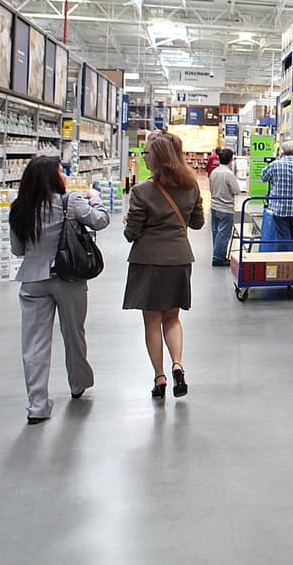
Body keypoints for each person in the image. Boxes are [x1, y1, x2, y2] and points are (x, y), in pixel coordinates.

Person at [9, 155, 111, 425]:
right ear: (53, 177)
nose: (64, 175)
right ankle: (77, 383)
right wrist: (95, 196)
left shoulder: (19, 208)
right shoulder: (71, 201)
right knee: (74, 333)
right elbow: (101, 220)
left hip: (32, 280)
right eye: (60, 171)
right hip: (68, 279)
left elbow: (17, 250)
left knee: (34, 344)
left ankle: (37, 406)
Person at [123, 132, 205, 399]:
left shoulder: (141, 191)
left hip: (148, 261)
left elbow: (131, 233)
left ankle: (159, 377)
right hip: (180, 259)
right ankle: (178, 364)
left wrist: (128, 223)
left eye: (146, 153)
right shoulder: (191, 187)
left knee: (152, 320)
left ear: (155, 159)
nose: (143, 157)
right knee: (172, 318)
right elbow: (197, 223)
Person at [208, 147, 241, 267]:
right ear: (231, 159)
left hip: (214, 206)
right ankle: (218, 258)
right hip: (226, 208)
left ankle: (217, 254)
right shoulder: (228, 174)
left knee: (216, 232)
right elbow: (236, 190)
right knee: (223, 234)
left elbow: (211, 188)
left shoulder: (214, 172)